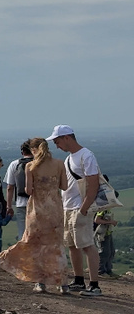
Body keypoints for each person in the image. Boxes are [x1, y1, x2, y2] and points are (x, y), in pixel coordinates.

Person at [0, 138, 68, 293]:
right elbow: (64, 186)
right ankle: (63, 284)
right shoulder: (60, 163)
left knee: (34, 243)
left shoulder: (30, 166)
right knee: (56, 245)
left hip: (37, 208)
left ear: (33, 149)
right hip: (55, 208)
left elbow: (28, 190)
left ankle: (40, 282)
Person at [49, 125, 104, 297]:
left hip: (80, 207)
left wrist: (84, 209)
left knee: (87, 244)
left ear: (67, 138)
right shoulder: (69, 159)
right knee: (72, 245)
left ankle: (94, 285)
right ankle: (79, 279)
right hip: (68, 206)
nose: (57, 145)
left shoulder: (86, 155)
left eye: (57, 141)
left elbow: (93, 183)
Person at [4, 140, 34, 240]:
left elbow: (10, 187)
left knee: (23, 233)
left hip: (21, 203)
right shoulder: (40, 164)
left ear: (22, 152)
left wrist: (9, 206)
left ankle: (24, 254)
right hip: (38, 203)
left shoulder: (15, 164)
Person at [95, 209, 118, 277]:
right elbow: (97, 220)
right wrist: (110, 222)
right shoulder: (103, 209)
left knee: (111, 252)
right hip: (102, 234)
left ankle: (108, 270)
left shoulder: (108, 209)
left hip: (108, 232)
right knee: (104, 252)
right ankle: (101, 270)